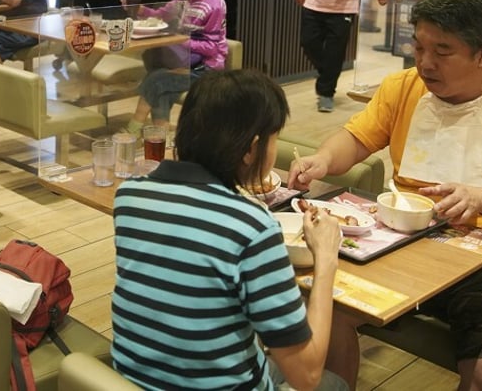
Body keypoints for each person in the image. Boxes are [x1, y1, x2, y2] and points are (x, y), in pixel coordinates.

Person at [288, 0, 482, 391]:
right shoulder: (402, 87)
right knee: (324, 307)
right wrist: (323, 160)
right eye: (419, 47)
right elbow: (356, 139)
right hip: (405, 242)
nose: (424, 63)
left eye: (442, 52)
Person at [112, 69, 347, 391]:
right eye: (274, 137)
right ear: (251, 149)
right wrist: (326, 257)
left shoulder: (130, 195)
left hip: (132, 382)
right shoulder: (252, 225)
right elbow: (306, 376)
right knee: (333, 383)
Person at [124, 0, 227, 135]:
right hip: (184, 63)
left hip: (205, 70)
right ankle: (159, 139)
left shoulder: (214, 4)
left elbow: (212, 48)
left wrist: (182, 41)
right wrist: (140, 10)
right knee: (161, 88)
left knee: (156, 80)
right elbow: (161, 14)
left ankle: (132, 131)